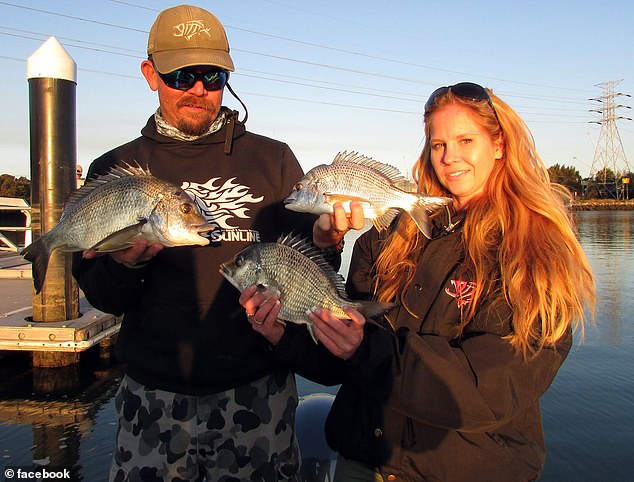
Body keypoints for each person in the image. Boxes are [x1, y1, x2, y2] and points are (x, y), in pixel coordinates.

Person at [243, 82, 596, 481]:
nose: (450, 157)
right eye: (438, 144)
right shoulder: (388, 237)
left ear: (499, 144)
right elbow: (342, 360)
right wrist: (283, 336)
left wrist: (366, 348)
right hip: (363, 461)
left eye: (466, 140)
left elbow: (489, 389)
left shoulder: (534, 250)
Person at [72, 4, 344, 481]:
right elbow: (102, 294)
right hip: (151, 402)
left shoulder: (274, 161)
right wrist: (127, 262)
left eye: (212, 74)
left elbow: (308, 267)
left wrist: (329, 239)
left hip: (259, 396)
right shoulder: (113, 171)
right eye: (181, 74)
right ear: (150, 74)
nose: (198, 88)